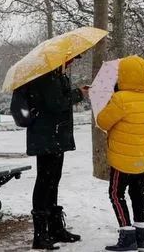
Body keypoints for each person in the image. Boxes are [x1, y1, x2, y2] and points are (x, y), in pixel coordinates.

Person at [13, 55, 88, 250]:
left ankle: (54, 228)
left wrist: (73, 90)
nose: (72, 62)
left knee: (53, 180)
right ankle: (40, 235)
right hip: (46, 136)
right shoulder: (46, 76)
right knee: (45, 182)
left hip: (53, 136)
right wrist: (78, 93)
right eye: (71, 59)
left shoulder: (55, 74)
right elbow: (56, 103)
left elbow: (56, 99)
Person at [96, 56, 144, 252]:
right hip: (140, 157)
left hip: (121, 159)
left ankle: (127, 234)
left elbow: (103, 122)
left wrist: (113, 97)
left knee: (116, 194)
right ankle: (142, 236)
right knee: (138, 194)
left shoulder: (120, 99)